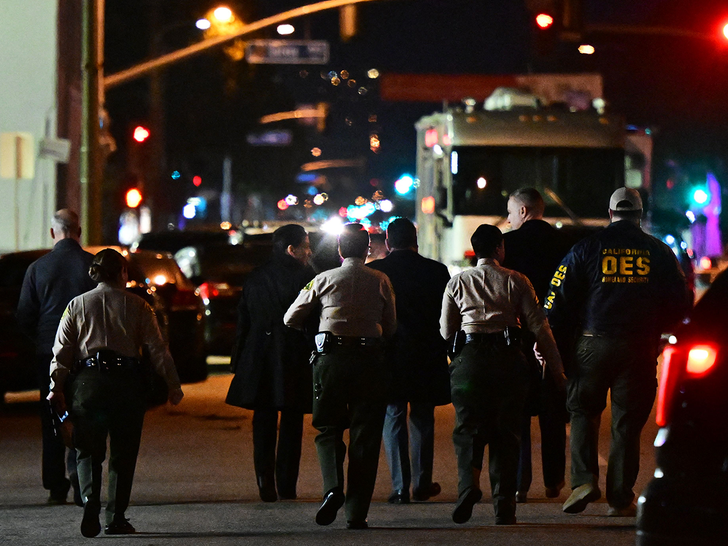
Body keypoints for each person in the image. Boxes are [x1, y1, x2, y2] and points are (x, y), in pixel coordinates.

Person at [544, 187, 690, 517]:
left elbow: (556, 298)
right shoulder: (659, 251)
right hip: (639, 347)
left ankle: (583, 480)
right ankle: (620, 496)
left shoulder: (585, 248)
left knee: (583, 411)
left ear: (610, 214)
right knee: (627, 423)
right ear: (639, 216)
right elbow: (681, 301)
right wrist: (660, 331)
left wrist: (554, 339)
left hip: (591, 344)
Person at [47, 249, 184, 537]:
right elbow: (158, 350)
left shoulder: (76, 305)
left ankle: (89, 500)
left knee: (87, 450)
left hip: (88, 383)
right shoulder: (139, 306)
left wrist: (55, 387)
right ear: (122, 272)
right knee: (123, 452)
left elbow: (61, 352)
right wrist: (172, 384)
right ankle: (116, 517)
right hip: (126, 383)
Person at [441, 224, 565, 526]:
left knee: (467, 428)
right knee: (506, 432)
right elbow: (539, 327)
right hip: (508, 361)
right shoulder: (516, 280)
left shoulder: (457, 282)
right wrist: (557, 369)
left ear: (475, 250)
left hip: (469, 359)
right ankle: (503, 506)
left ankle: (468, 487)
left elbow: (446, 329)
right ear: (499, 249)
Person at [284, 223, 396, 529]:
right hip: (370, 361)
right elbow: (391, 325)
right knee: (366, 434)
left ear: (339, 250)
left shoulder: (324, 279)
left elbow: (290, 317)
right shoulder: (381, 280)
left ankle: (333, 487)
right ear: (367, 249)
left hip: (331, 359)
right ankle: (356, 512)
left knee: (328, 428)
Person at [225, 224, 315, 502]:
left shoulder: (256, 276)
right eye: (306, 245)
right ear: (292, 250)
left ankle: (265, 484)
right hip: (293, 356)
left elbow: (244, 320)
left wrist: (238, 360)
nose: (309, 251)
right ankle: (287, 484)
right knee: (292, 421)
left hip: (260, 356)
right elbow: (314, 320)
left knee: (263, 421)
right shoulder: (307, 277)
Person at [16, 209, 96, 506]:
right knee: (83, 415)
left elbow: (24, 315)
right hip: (83, 354)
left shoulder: (37, 269)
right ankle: (81, 480)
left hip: (48, 353)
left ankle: (55, 484)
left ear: (53, 233)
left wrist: (40, 340)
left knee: (52, 416)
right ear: (80, 230)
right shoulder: (91, 266)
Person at [368, 218, 450, 504]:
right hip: (427, 353)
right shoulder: (437, 271)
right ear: (416, 241)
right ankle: (422, 483)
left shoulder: (376, 271)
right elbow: (447, 314)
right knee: (423, 417)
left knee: (393, 416)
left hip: (389, 354)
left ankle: (400, 486)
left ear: (388, 243)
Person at [502, 188, 570, 503]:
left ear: (525, 211)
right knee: (553, 410)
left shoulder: (509, 245)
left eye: (511, 212)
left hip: (518, 337)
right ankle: (554, 481)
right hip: (557, 335)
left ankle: (519, 483)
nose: (509, 219)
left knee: (518, 410)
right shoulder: (564, 242)